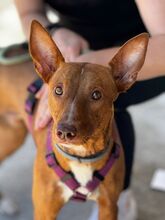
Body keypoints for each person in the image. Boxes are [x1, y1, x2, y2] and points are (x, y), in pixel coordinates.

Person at [14, 0, 165, 219]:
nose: (66, 127)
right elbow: (29, 12)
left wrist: (90, 69)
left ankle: (120, 196)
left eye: (94, 95)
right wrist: (55, 31)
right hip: (70, 47)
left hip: (149, 52)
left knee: (110, 106)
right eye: (57, 91)